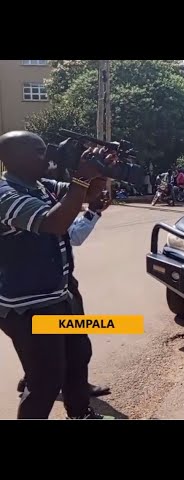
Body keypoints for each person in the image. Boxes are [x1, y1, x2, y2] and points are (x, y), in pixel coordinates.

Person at [0, 130, 115, 419]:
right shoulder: (5, 194)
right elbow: (55, 221)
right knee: (45, 381)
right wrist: (80, 178)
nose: (48, 155)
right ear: (14, 158)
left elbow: (85, 193)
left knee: (77, 360)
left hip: (59, 295)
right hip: (29, 306)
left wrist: (98, 170)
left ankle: (81, 414)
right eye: (39, 151)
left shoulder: (41, 185)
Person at [16, 190, 112, 398]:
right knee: (61, 345)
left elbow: (73, 235)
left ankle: (68, 385)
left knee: (73, 342)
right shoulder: (17, 196)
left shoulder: (46, 188)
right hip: (39, 290)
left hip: (63, 283)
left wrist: (93, 210)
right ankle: (37, 382)